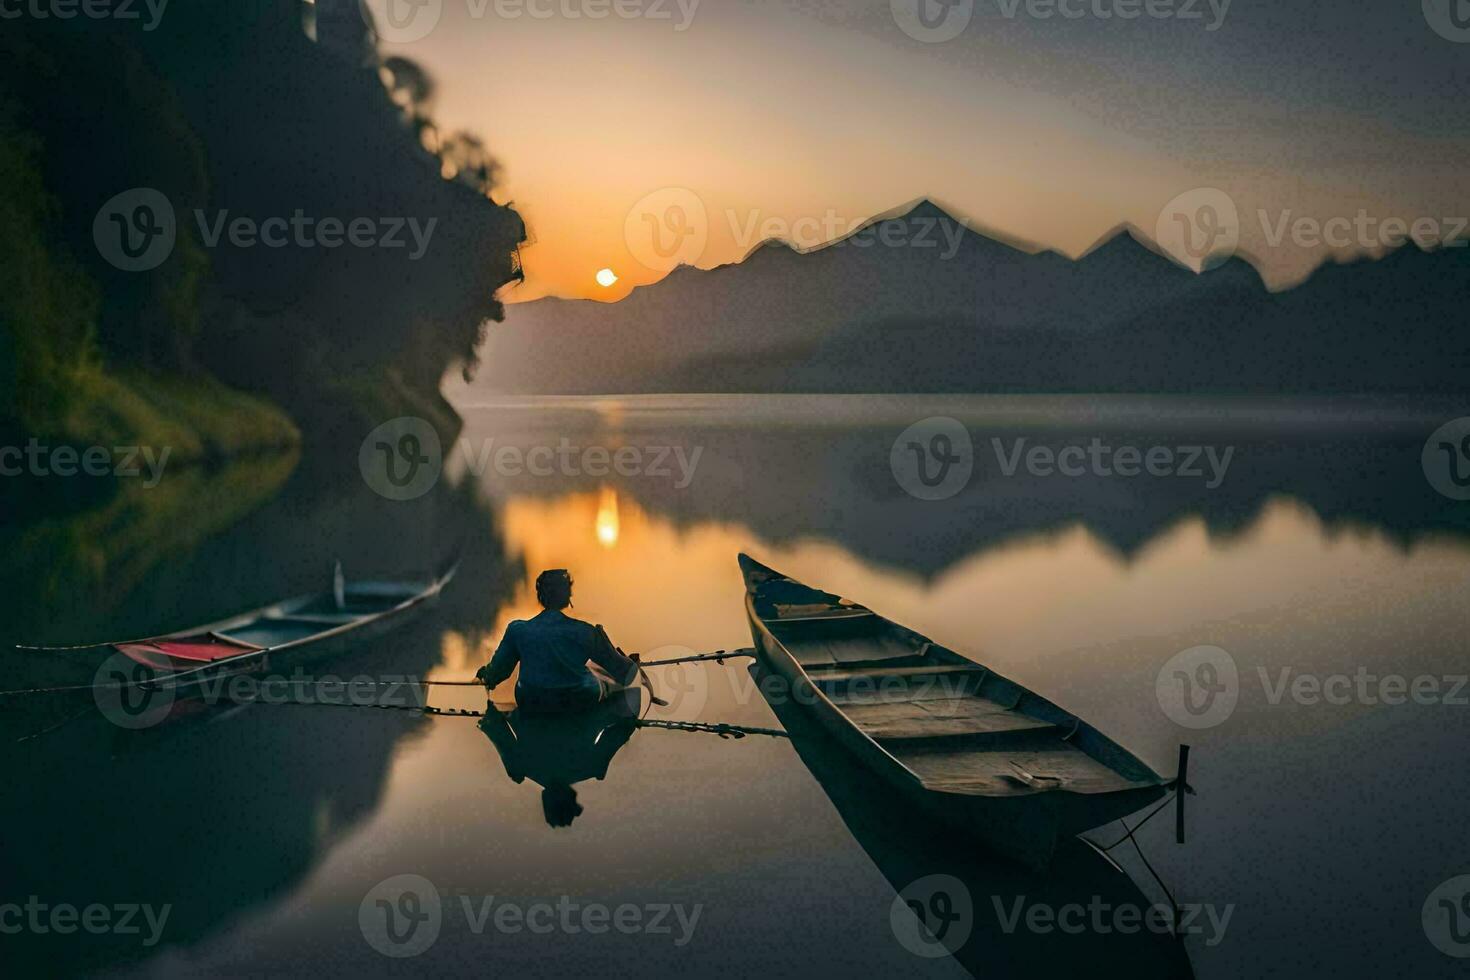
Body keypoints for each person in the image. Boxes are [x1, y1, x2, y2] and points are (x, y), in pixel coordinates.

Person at [476, 569, 641, 713]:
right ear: (568, 596)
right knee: (618, 689)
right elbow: (624, 674)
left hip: (531, 702)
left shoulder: (517, 630)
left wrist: (486, 674)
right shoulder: (586, 632)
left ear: (540, 596)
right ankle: (611, 737)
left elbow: (497, 673)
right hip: (576, 701)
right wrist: (632, 663)